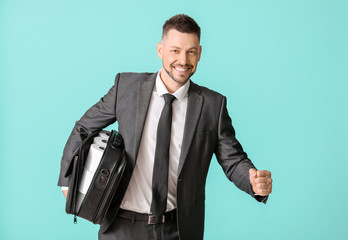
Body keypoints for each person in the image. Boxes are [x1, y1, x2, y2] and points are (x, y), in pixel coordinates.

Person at [58, 14, 272, 240]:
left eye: (191, 51)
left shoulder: (212, 105)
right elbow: (84, 128)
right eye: (175, 50)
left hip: (177, 230)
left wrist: (252, 182)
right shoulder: (127, 88)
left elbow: (233, 160)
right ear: (160, 50)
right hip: (119, 227)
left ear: (199, 53)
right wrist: (67, 182)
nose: (183, 60)